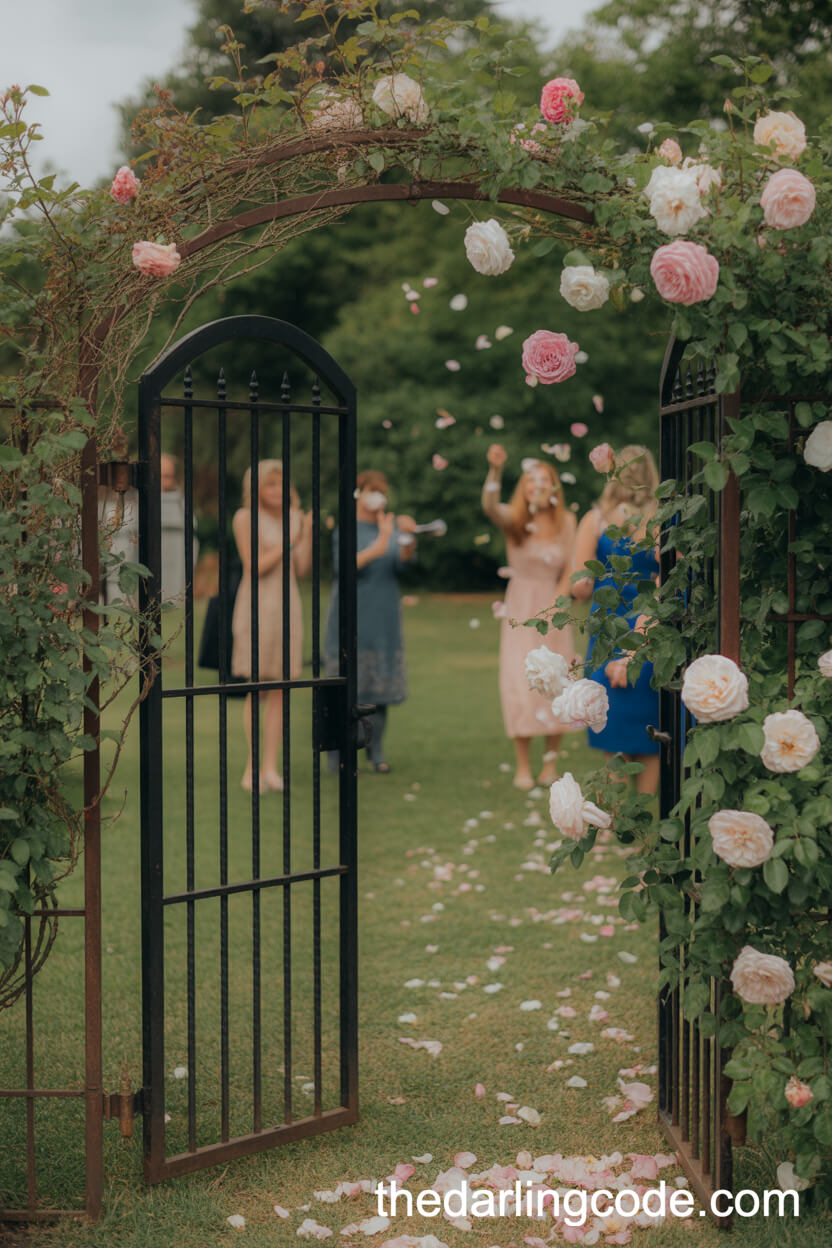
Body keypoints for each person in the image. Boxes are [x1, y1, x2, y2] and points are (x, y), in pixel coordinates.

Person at [482, 444, 577, 790]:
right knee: (519, 683)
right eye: (531, 480)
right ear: (523, 486)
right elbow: (490, 506)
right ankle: (523, 765)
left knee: (556, 683)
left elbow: (570, 566)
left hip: (554, 607)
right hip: (521, 606)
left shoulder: (566, 520)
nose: (537, 486)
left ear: (555, 487)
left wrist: (561, 603)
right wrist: (495, 471)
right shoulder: (514, 519)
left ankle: (550, 763)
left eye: (544, 481)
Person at [570, 444, 661, 795]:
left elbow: (580, 587)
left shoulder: (595, 519)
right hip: (650, 623)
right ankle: (644, 822)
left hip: (611, 626)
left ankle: (618, 817)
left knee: (614, 724)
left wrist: (586, 580)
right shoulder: (662, 517)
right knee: (647, 726)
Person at [323, 470, 416, 773]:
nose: (378, 497)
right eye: (371, 491)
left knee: (379, 689)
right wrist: (382, 541)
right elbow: (345, 566)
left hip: (384, 614)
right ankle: (337, 753)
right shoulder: (346, 529)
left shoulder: (389, 524)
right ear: (358, 495)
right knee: (345, 686)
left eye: (382, 491)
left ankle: (375, 750)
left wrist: (408, 539)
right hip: (352, 614)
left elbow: (403, 565)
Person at [231, 459, 312, 792]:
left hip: (288, 606)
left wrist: (306, 534)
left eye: (281, 484)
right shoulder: (245, 518)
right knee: (257, 688)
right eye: (269, 485)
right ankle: (251, 767)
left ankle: (270, 767)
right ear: (256, 489)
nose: (277, 491)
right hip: (258, 606)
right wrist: (289, 541)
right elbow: (254, 566)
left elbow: (302, 568)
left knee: (281, 689)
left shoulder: (294, 519)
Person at [160, 452, 199, 603]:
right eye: (161, 475)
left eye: (167, 476)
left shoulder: (181, 501)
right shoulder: (134, 499)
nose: (164, 480)